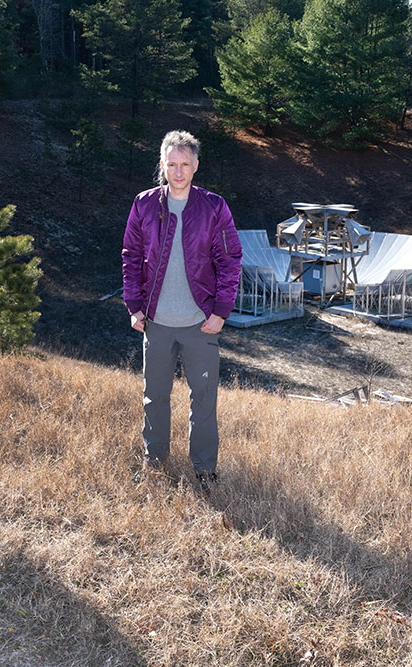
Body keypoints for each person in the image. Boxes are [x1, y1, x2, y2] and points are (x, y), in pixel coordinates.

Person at [121, 130, 242, 492]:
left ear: (195, 166)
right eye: (171, 164)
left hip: (199, 324)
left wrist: (220, 310)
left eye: (185, 164)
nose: (178, 171)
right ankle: (154, 463)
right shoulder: (143, 205)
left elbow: (230, 259)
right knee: (154, 396)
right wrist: (134, 307)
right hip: (156, 322)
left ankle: (205, 470)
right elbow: (130, 257)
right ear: (162, 164)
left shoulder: (214, 207)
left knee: (203, 399)